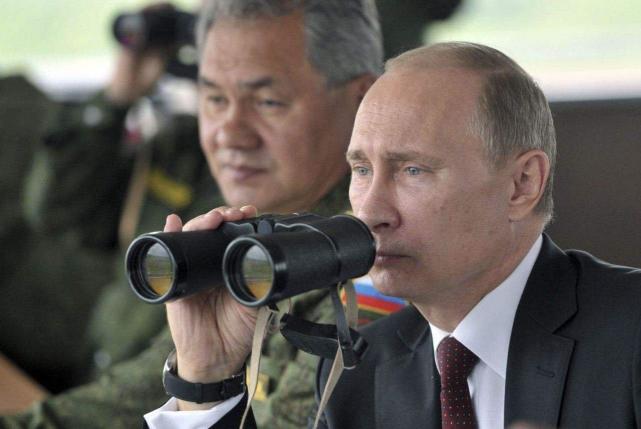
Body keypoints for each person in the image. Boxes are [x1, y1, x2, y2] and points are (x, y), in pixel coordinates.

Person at [148, 42, 641, 428]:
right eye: (362, 170)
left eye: (412, 170)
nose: (370, 212)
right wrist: (205, 378)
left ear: (521, 184)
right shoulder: (359, 371)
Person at [1, 0, 385, 427]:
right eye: (214, 98)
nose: (229, 134)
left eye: (268, 102)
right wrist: (117, 96)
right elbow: (60, 212)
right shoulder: (222, 192)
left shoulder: (364, 262)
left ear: (362, 100)